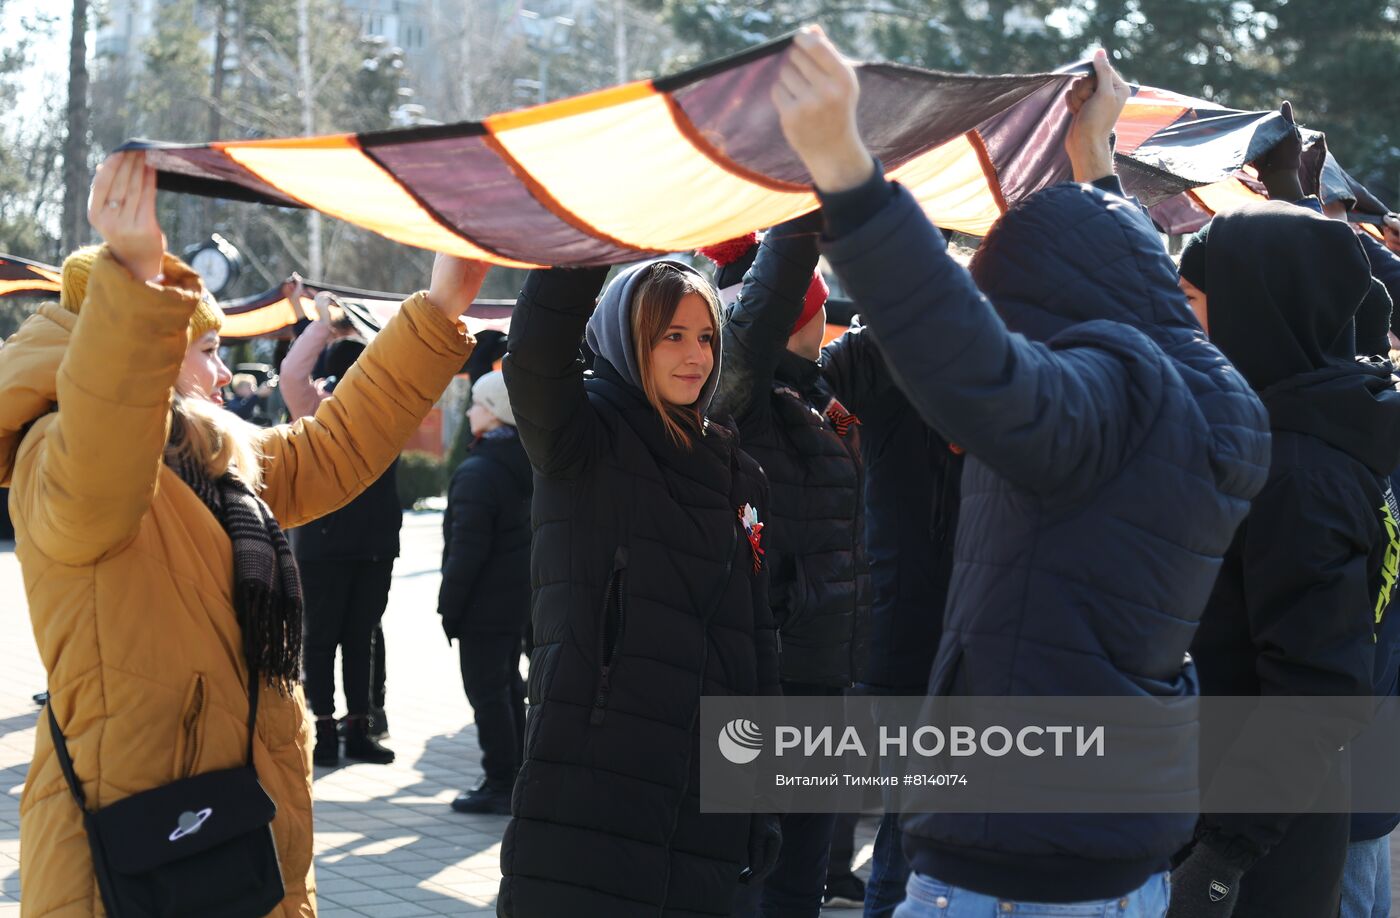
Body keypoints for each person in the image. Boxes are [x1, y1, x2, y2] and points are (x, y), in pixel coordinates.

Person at [769, 29, 1271, 916]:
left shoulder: (1107, 403)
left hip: (1015, 860)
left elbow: (969, 361)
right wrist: (1094, 162)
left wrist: (848, 173)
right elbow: (1136, 292)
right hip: (1120, 841)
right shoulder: (1216, 400)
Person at [0, 151, 484, 916]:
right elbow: (102, 455)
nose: (225, 376)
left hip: (230, 843)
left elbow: (331, 448)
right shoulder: (56, 452)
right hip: (129, 867)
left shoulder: (213, 459)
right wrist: (135, 285)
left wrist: (441, 305)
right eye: (208, 349)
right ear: (148, 346)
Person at [497, 260, 781, 916]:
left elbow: (755, 647)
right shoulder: (584, 439)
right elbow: (537, 353)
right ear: (628, 340)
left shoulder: (737, 471)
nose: (695, 356)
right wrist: (588, 231)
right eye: (671, 336)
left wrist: (762, 800)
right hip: (593, 786)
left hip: (707, 799)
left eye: (706, 336)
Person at [1168, 115, 1400, 918]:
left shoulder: (1298, 470)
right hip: (1266, 815)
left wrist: (1225, 853)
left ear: (1254, 312)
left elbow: (1314, 690)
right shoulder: (1310, 429)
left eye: (1193, 299)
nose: (1180, 321)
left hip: (1257, 844)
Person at [708, 212, 870, 918]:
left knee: (803, 864)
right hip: (765, 667)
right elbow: (762, 311)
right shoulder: (734, 395)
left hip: (823, 663)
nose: (826, 312)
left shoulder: (821, 394)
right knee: (757, 865)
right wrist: (803, 216)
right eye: (816, 300)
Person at [280, 311, 404, 765]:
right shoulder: (319, 409)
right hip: (329, 545)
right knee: (326, 638)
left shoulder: (389, 409)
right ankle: (327, 731)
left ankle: (353, 729)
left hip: (365, 546)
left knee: (357, 637)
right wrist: (318, 326)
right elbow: (291, 373)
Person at [439, 370, 533, 815]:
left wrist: (449, 609)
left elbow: (466, 552)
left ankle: (500, 780)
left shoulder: (479, 471)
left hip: (482, 604)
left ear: (494, 414)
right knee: (507, 685)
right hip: (515, 601)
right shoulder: (525, 461)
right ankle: (515, 774)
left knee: (487, 691)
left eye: (478, 403)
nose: (472, 410)